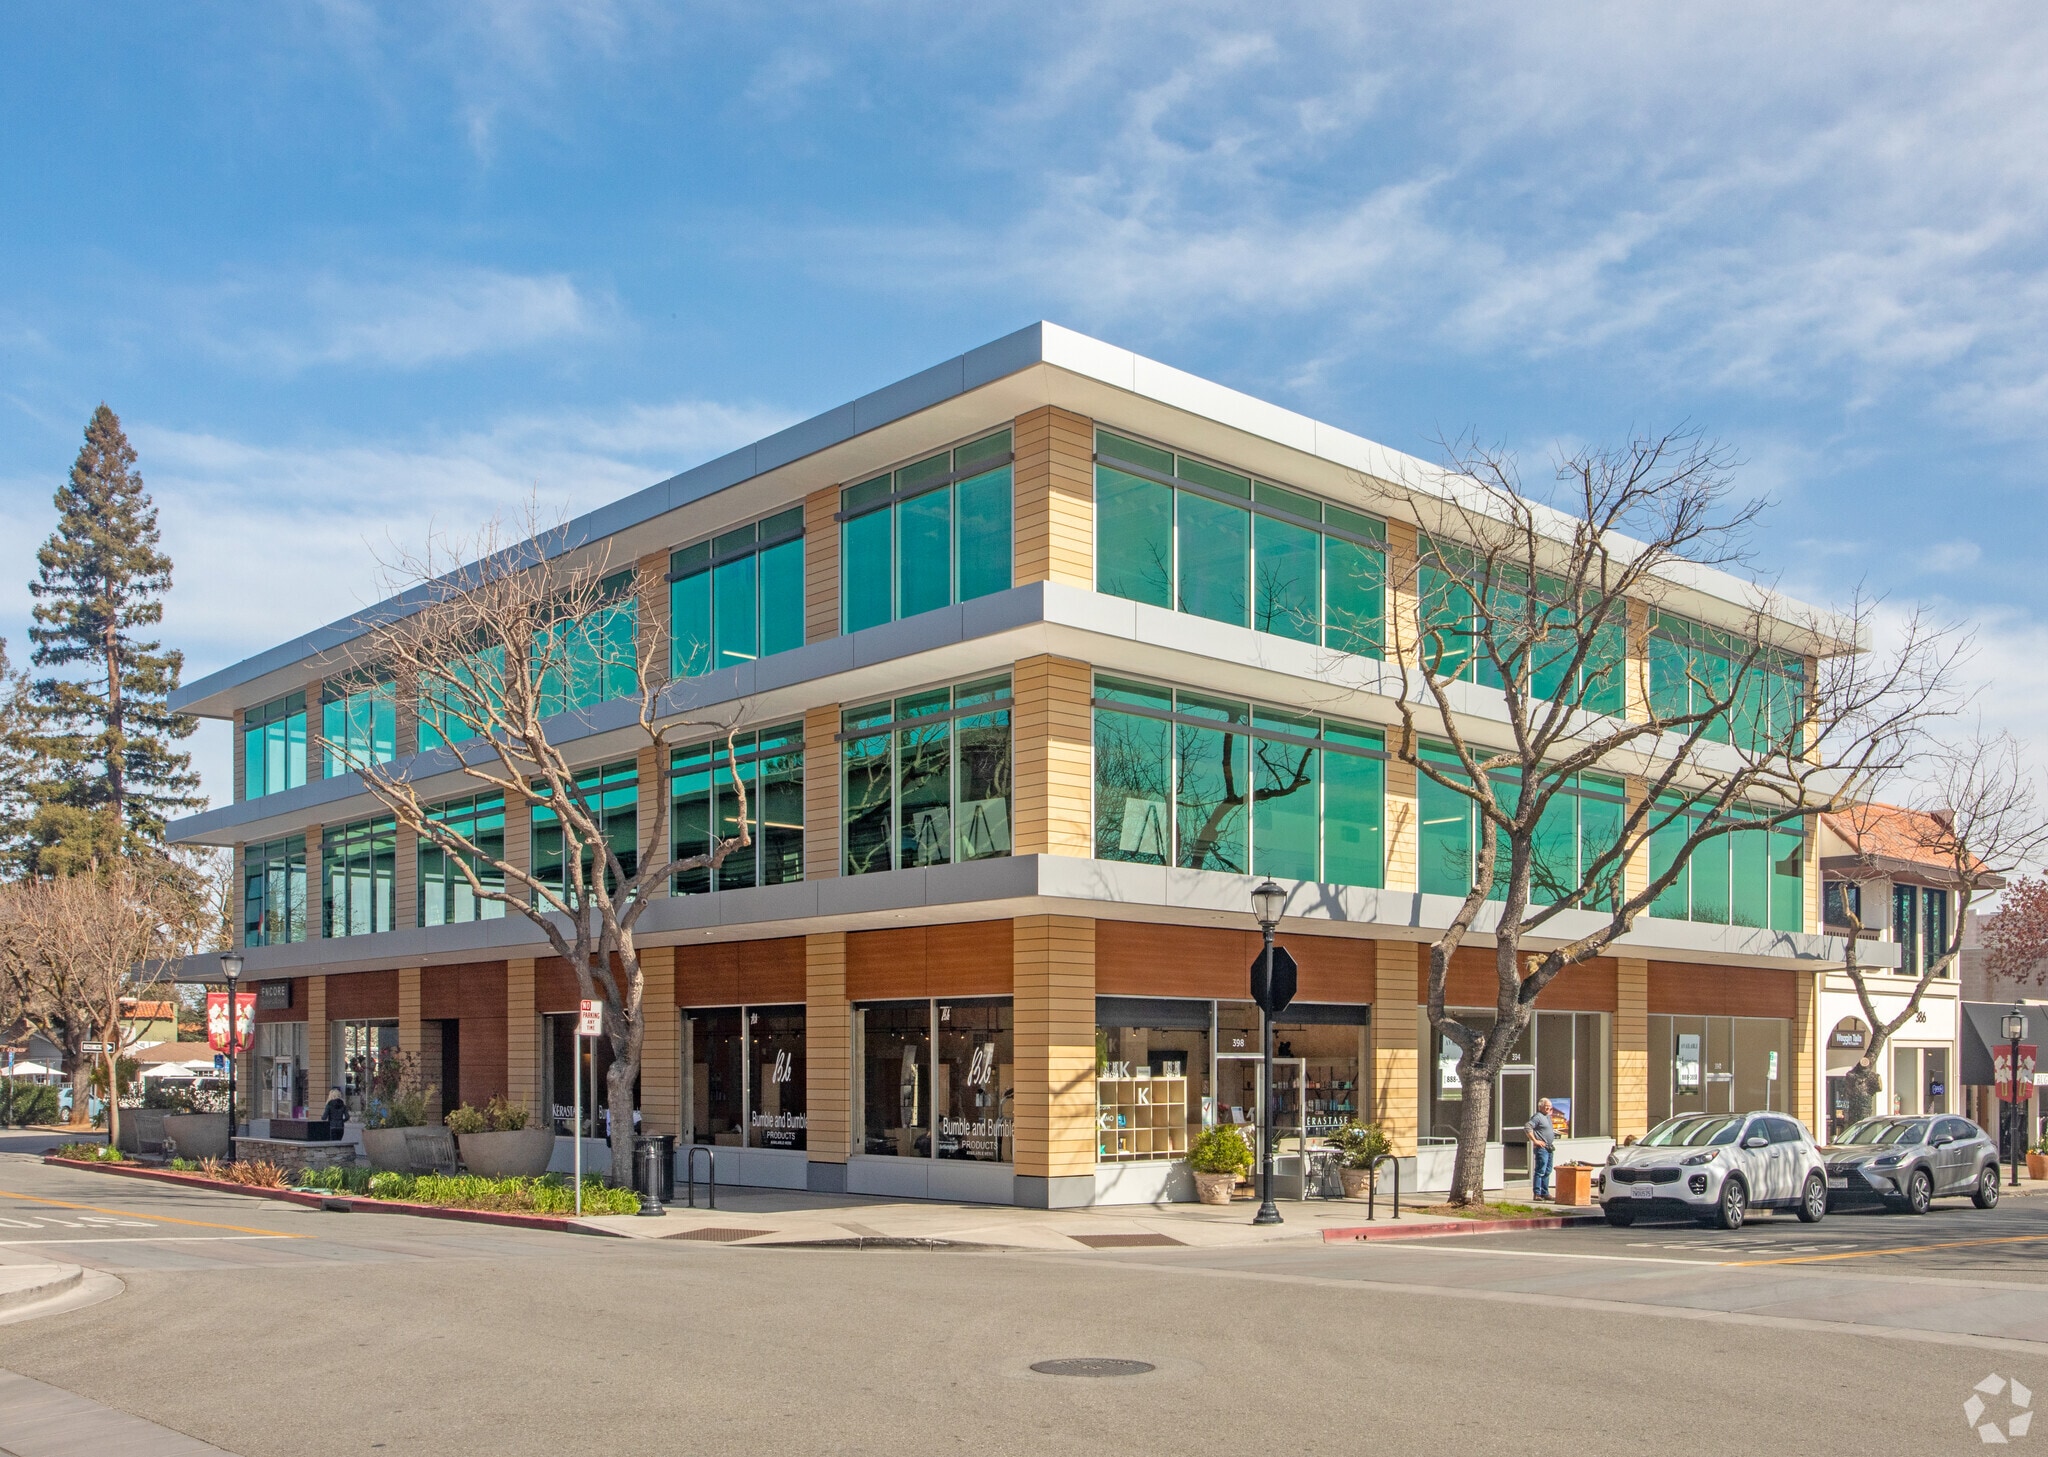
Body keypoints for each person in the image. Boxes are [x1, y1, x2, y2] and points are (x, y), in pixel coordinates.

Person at [1527, 1097, 1558, 1202]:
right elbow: (1527, 1127)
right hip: (1542, 1148)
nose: (1548, 1109)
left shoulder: (1547, 1117)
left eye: (1550, 1107)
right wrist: (1535, 1141)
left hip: (1549, 1148)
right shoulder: (1538, 1117)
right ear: (1540, 1107)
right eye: (1546, 1107)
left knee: (1548, 1171)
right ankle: (1537, 1193)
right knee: (1540, 1171)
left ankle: (1545, 1193)